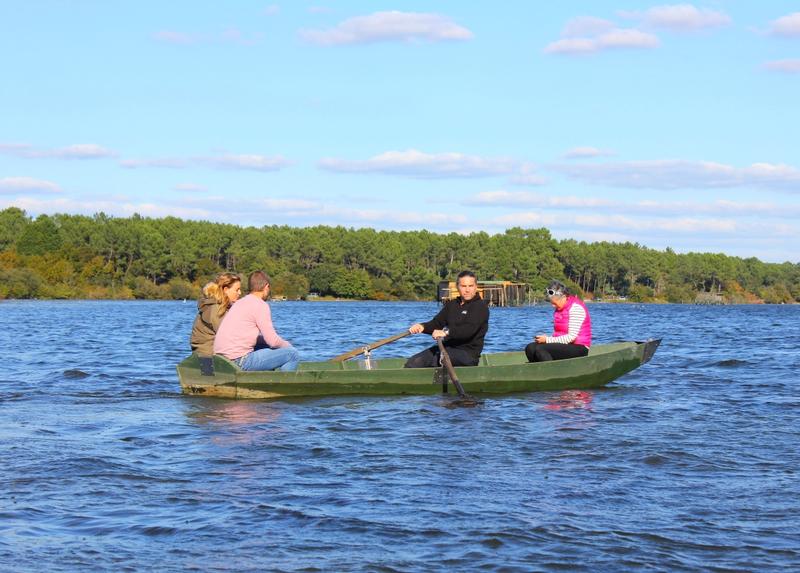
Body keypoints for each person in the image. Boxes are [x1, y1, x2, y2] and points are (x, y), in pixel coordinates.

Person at [213, 270, 300, 371]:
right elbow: (273, 341)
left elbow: (248, 337)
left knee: (266, 345)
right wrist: (288, 346)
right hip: (239, 361)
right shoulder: (260, 305)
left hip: (220, 360)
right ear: (266, 287)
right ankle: (283, 385)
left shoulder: (239, 303)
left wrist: (267, 342)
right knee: (292, 354)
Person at [404, 270, 489, 368]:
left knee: (439, 358)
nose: (467, 290)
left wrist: (446, 332)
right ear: (457, 287)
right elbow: (436, 323)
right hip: (446, 349)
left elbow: (468, 330)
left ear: (475, 287)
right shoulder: (452, 305)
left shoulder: (480, 307)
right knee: (413, 362)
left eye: (470, 286)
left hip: (467, 355)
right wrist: (422, 326)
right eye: (463, 286)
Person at [525, 279, 591, 362]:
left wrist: (547, 340)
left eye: (554, 303)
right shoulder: (559, 308)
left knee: (540, 350)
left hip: (579, 347)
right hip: (565, 345)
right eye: (551, 303)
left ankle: (551, 372)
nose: (553, 306)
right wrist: (549, 339)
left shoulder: (576, 308)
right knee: (530, 348)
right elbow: (560, 334)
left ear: (563, 297)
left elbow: (571, 337)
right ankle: (539, 371)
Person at [189, 272, 241, 357]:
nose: (240, 293)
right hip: (208, 358)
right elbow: (229, 336)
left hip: (210, 354)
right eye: (237, 290)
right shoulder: (216, 309)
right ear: (226, 290)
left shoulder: (217, 306)